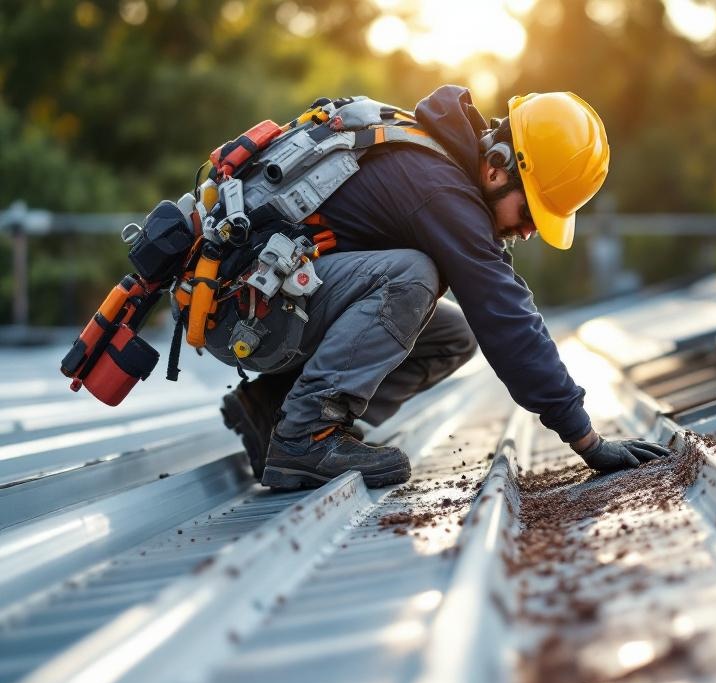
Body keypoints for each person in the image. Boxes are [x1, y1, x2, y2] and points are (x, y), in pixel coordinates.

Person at [215, 85, 669, 490]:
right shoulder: (441, 191)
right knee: (411, 278)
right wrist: (586, 440)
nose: (529, 232)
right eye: (530, 214)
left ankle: (272, 411)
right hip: (245, 310)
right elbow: (505, 314)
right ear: (496, 168)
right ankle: (307, 435)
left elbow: (499, 299)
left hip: (265, 302)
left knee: (452, 333)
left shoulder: (437, 166)